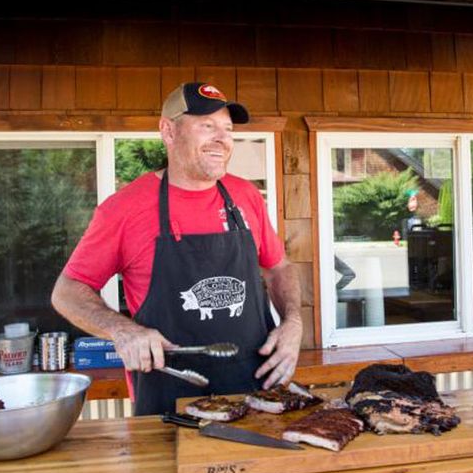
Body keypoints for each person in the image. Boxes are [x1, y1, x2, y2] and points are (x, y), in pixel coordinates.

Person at [51, 82, 302, 415]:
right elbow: (67, 291)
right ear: (168, 131)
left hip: (256, 395)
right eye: (206, 126)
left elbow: (279, 266)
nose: (222, 139)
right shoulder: (124, 209)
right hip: (169, 401)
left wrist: (293, 321)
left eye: (227, 129)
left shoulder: (246, 197)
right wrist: (122, 330)